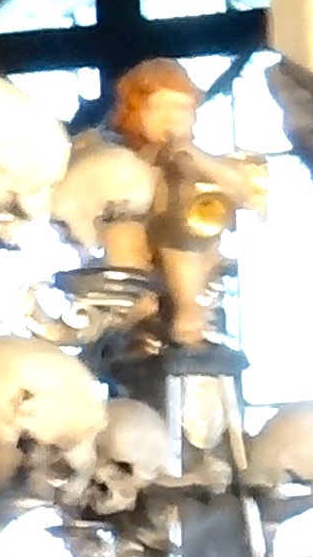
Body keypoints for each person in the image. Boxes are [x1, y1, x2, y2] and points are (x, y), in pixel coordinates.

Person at [109, 52, 260, 353]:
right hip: (136, 272)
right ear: (134, 113)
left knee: (187, 200)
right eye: (158, 108)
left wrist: (193, 157)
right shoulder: (118, 163)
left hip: (198, 260)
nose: (172, 118)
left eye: (182, 108)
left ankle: (190, 313)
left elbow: (245, 192)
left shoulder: (200, 164)